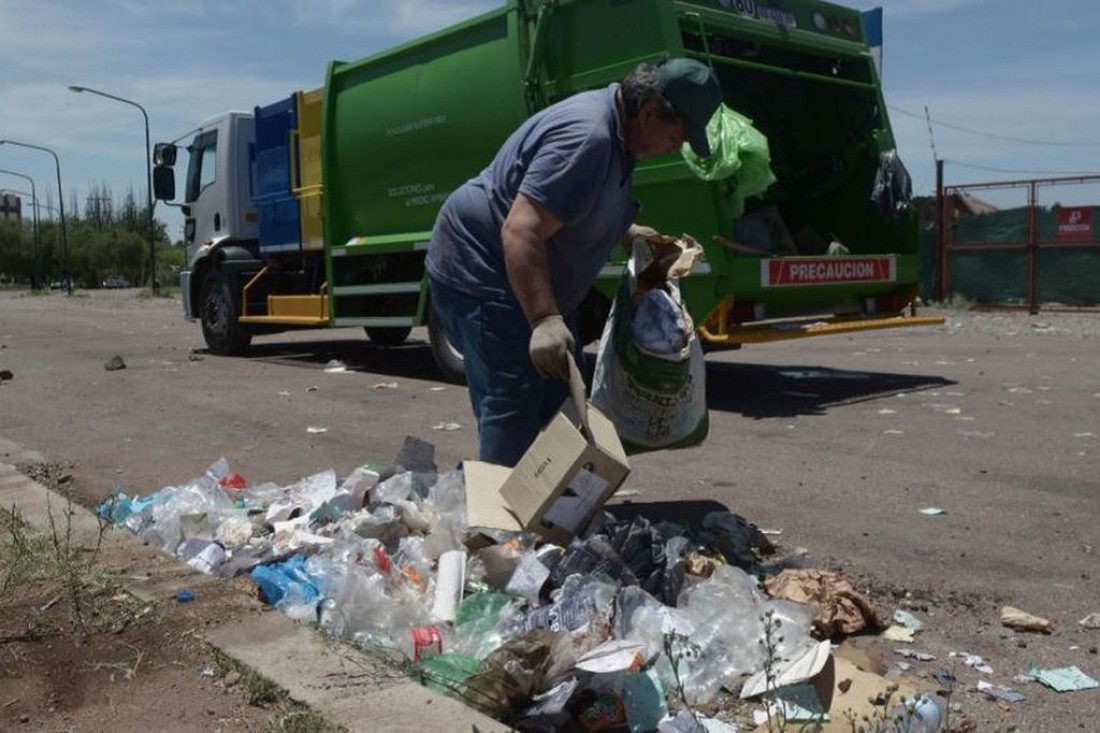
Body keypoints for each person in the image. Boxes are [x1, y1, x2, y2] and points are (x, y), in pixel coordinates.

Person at [426, 57, 722, 467]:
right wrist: (545, 320)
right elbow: (521, 230)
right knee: (514, 401)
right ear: (650, 113)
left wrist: (627, 232)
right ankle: (499, 523)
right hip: (482, 270)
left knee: (557, 394)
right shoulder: (590, 138)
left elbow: (584, 200)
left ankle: (535, 500)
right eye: (680, 134)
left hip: (520, 271)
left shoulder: (624, 135)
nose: (680, 145)